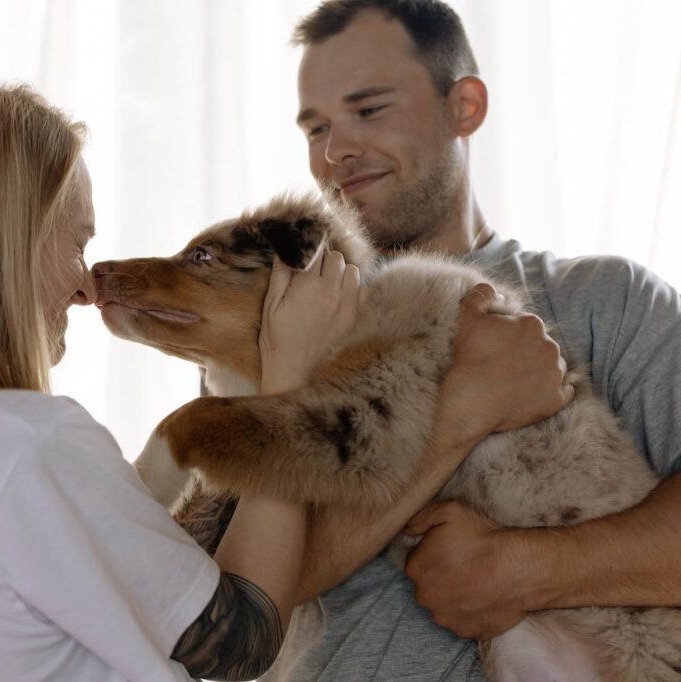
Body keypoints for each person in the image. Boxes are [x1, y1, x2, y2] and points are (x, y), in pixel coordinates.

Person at [0, 74, 411, 682]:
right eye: (74, 244)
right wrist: (286, 391)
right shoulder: (21, 446)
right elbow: (238, 640)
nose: (83, 286)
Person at [263, 0, 681, 679]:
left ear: (466, 106)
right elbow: (239, 599)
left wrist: (523, 569)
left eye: (369, 111)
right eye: (316, 128)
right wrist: (462, 415)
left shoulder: (610, 302)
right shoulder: (286, 329)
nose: (334, 151)